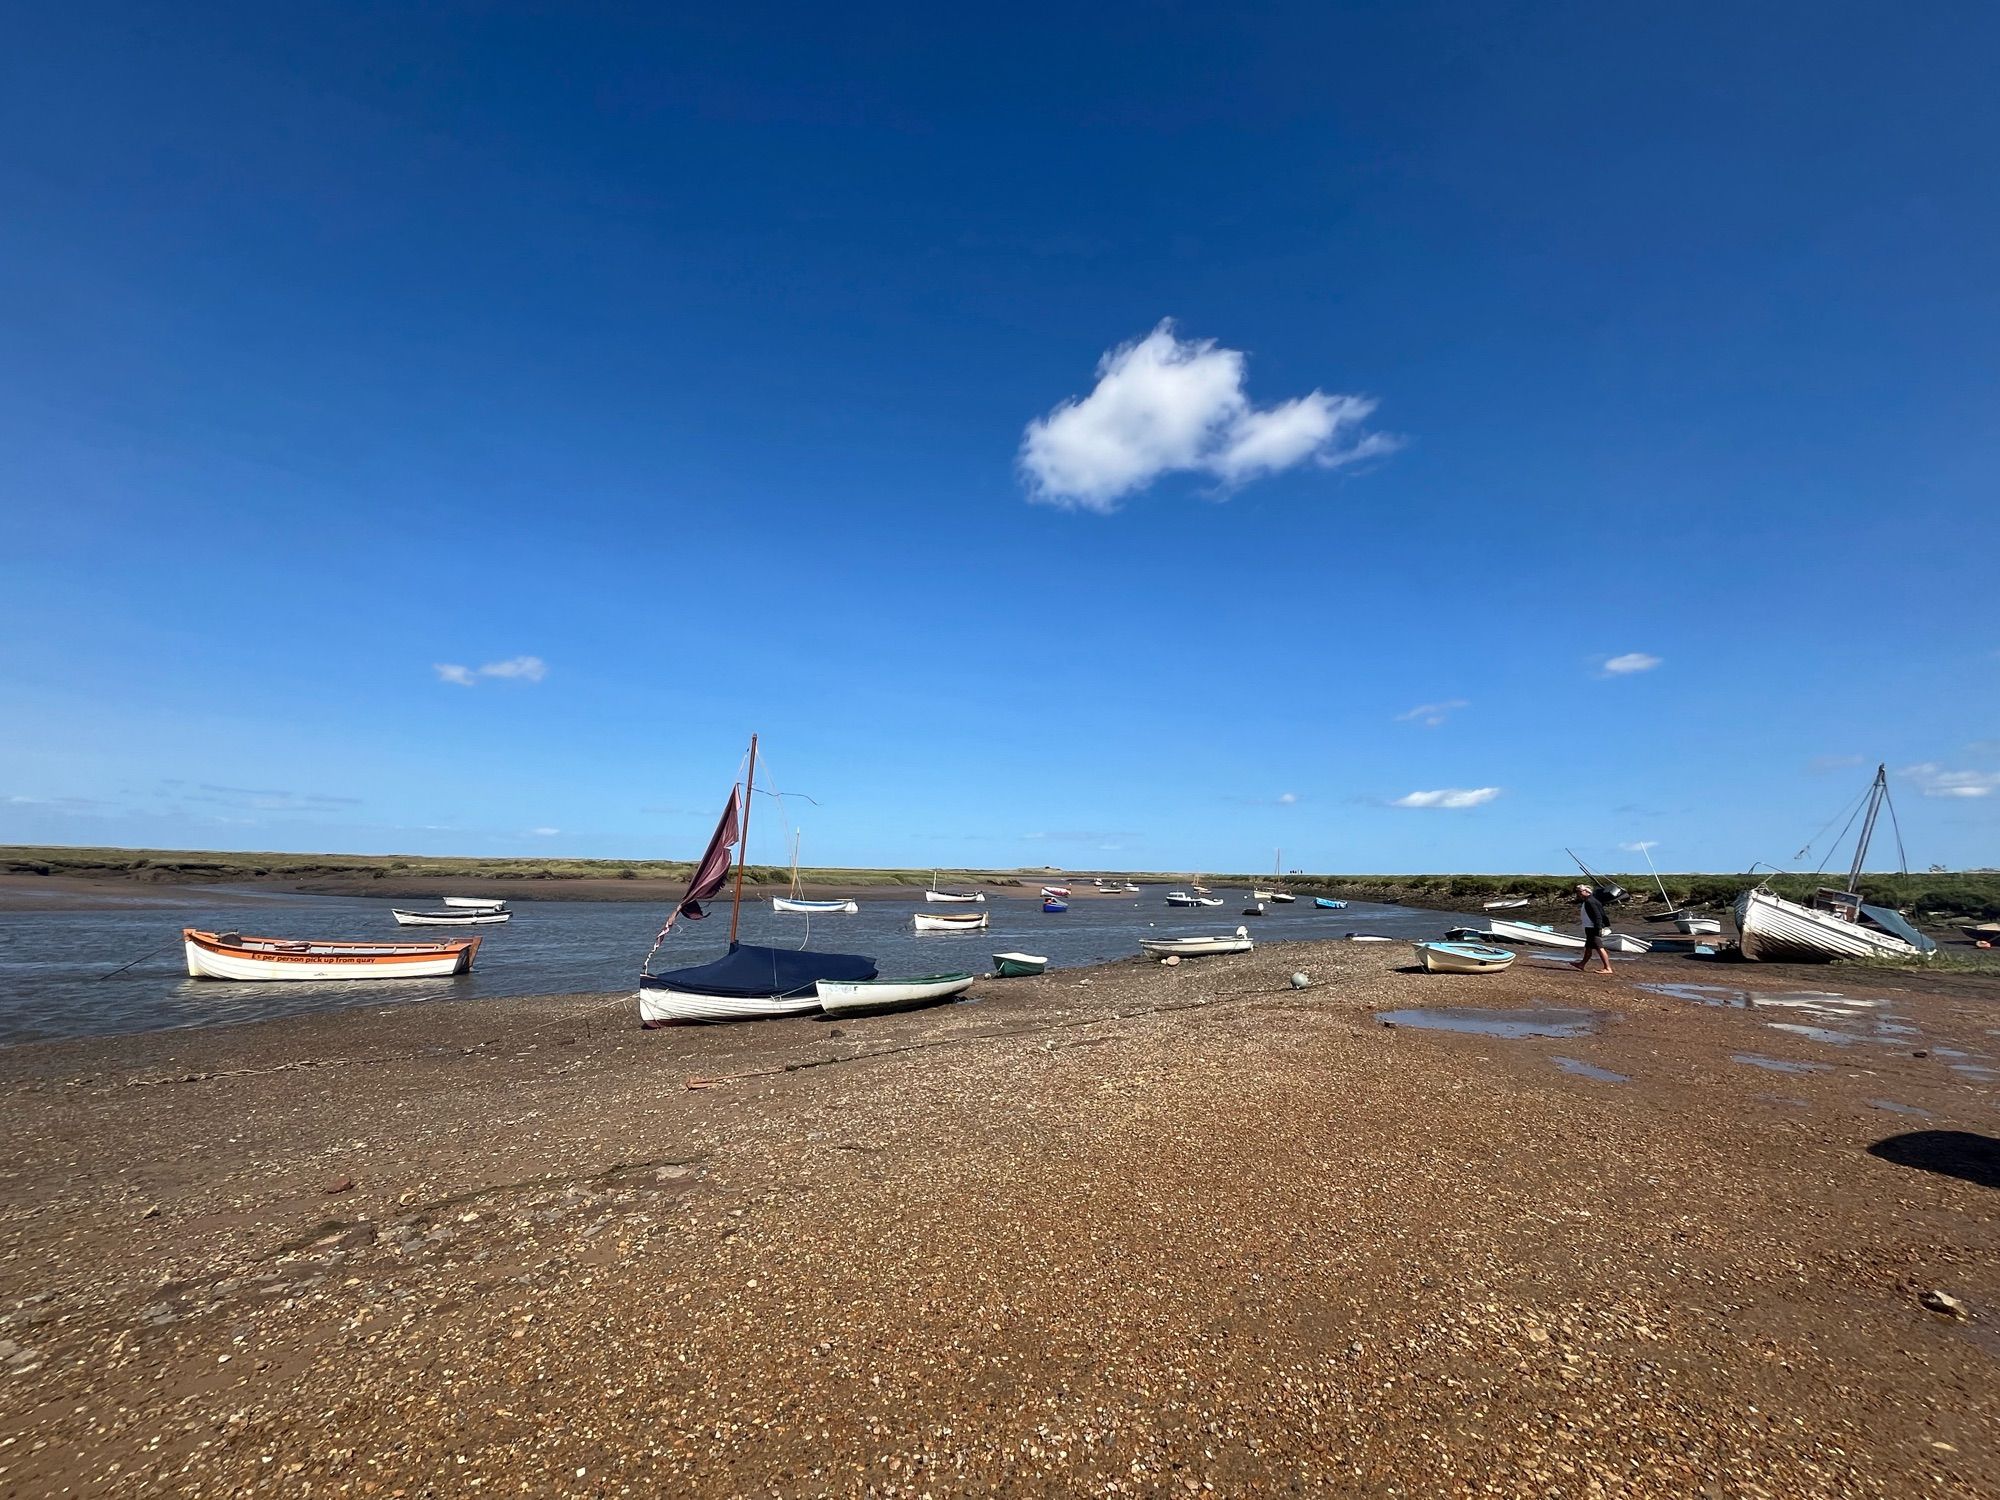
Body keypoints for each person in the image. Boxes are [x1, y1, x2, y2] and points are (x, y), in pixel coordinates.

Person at [1572, 882, 1613, 975]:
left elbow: (1598, 915)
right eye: (1577, 892)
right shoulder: (1588, 900)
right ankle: (1581, 964)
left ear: (1586, 891)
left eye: (1580, 891)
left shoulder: (1590, 901)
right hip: (1589, 927)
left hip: (1593, 928)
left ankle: (1607, 968)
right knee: (1588, 947)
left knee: (1599, 947)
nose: (1578, 894)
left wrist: (1598, 928)